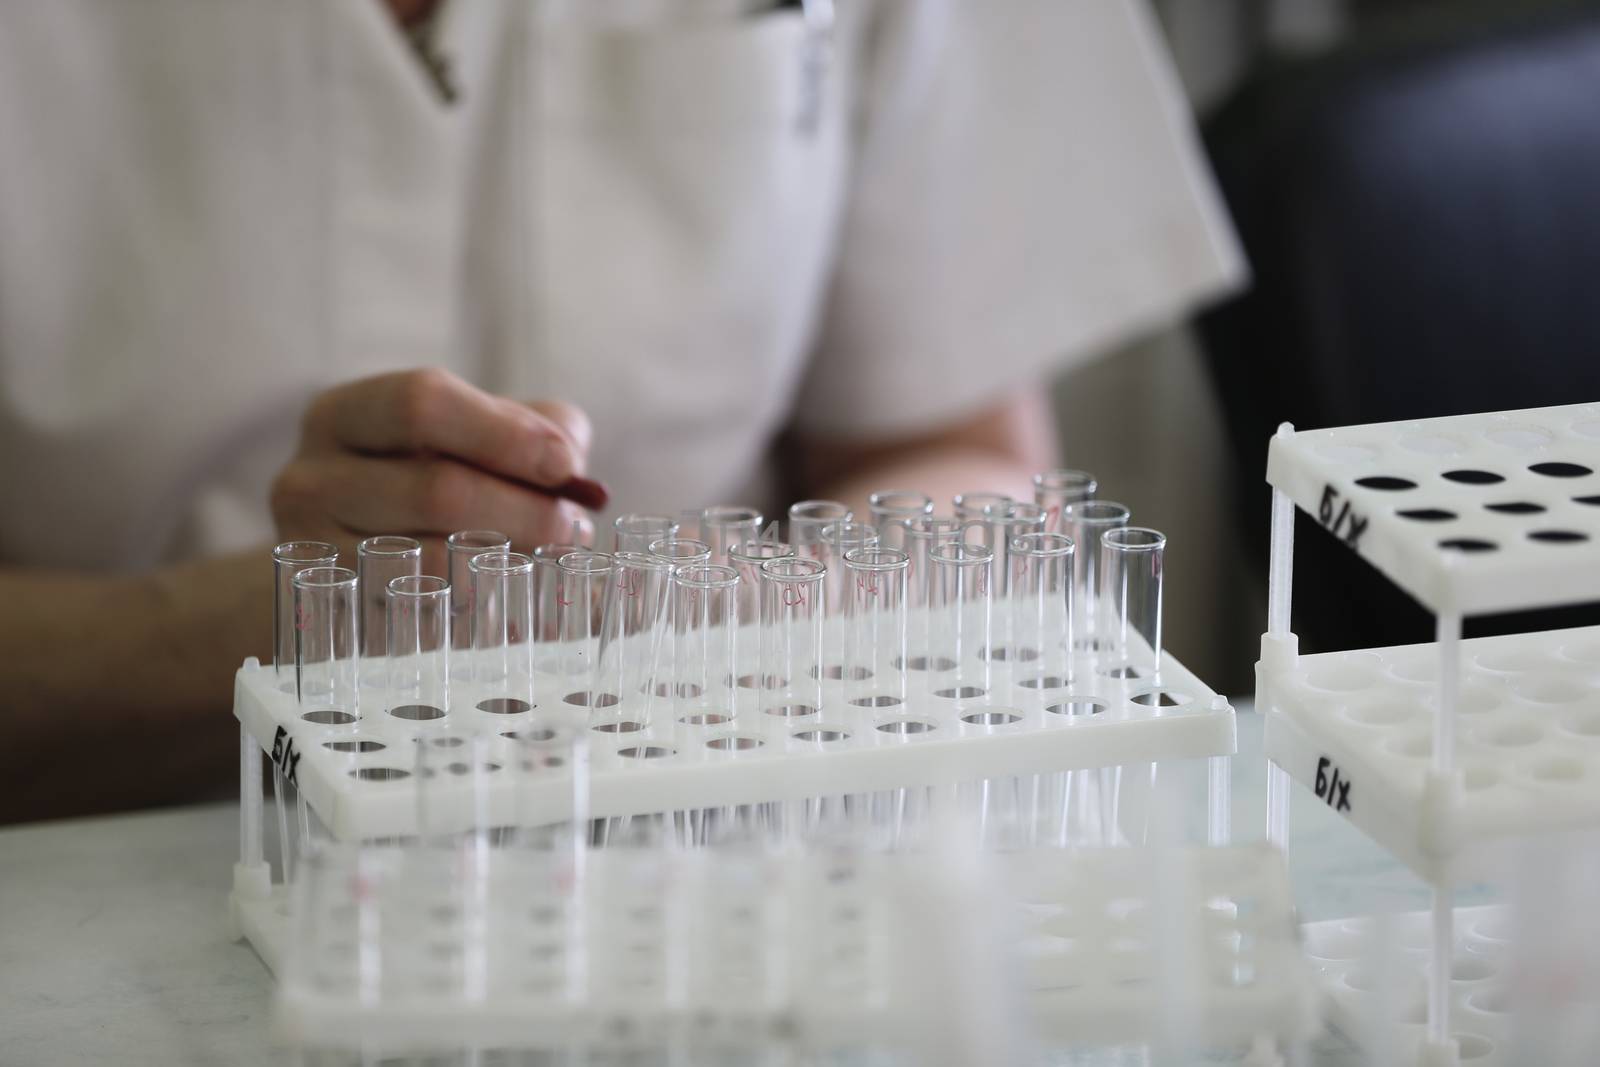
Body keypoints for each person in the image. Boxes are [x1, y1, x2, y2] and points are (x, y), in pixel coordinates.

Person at [0, 0, 1242, 821]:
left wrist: (758, 620)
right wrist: (248, 632)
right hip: (96, 854)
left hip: (716, 843)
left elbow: (963, 448)